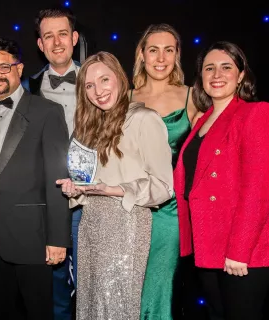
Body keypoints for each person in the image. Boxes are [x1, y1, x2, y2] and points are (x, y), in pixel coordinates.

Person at [57, 51, 173, 320]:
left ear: (119, 79)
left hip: (127, 223)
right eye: (89, 85)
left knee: (117, 308)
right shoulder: (91, 126)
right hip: (91, 224)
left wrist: (115, 189)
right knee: (90, 305)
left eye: (104, 80)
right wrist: (77, 189)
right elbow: (93, 184)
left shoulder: (144, 119)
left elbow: (164, 186)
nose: (98, 91)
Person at [0, 38, 71, 320]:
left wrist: (57, 238)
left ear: (19, 68)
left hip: (33, 239)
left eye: (4, 66)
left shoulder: (47, 111)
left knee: (37, 312)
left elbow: (57, 177)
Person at [174, 41, 269, 320]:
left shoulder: (255, 113)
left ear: (241, 75)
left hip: (242, 252)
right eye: (209, 68)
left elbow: (258, 188)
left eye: (226, 67)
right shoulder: (202, 121)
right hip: (208, 245)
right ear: (201, 78)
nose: (217, 74)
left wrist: (239, 251)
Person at [129, 23, 201, 319]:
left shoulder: (192, 95)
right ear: (142, 55)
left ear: (177, 55)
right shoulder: (125, 97)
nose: (161, 58)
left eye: (168, 50)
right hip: (130, 206)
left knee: (161, 286)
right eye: (154, 50)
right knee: (129, 286)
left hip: (169, 209)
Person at [22, 7, 80, 318]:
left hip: (94, 200)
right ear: (40, 45)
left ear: (74, 38)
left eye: (62, 34)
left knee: (93, 282)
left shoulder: (102, 80)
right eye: (48, 36)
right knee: (54, 286)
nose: (56, 42)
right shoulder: (26, 89)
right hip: (48, 202)